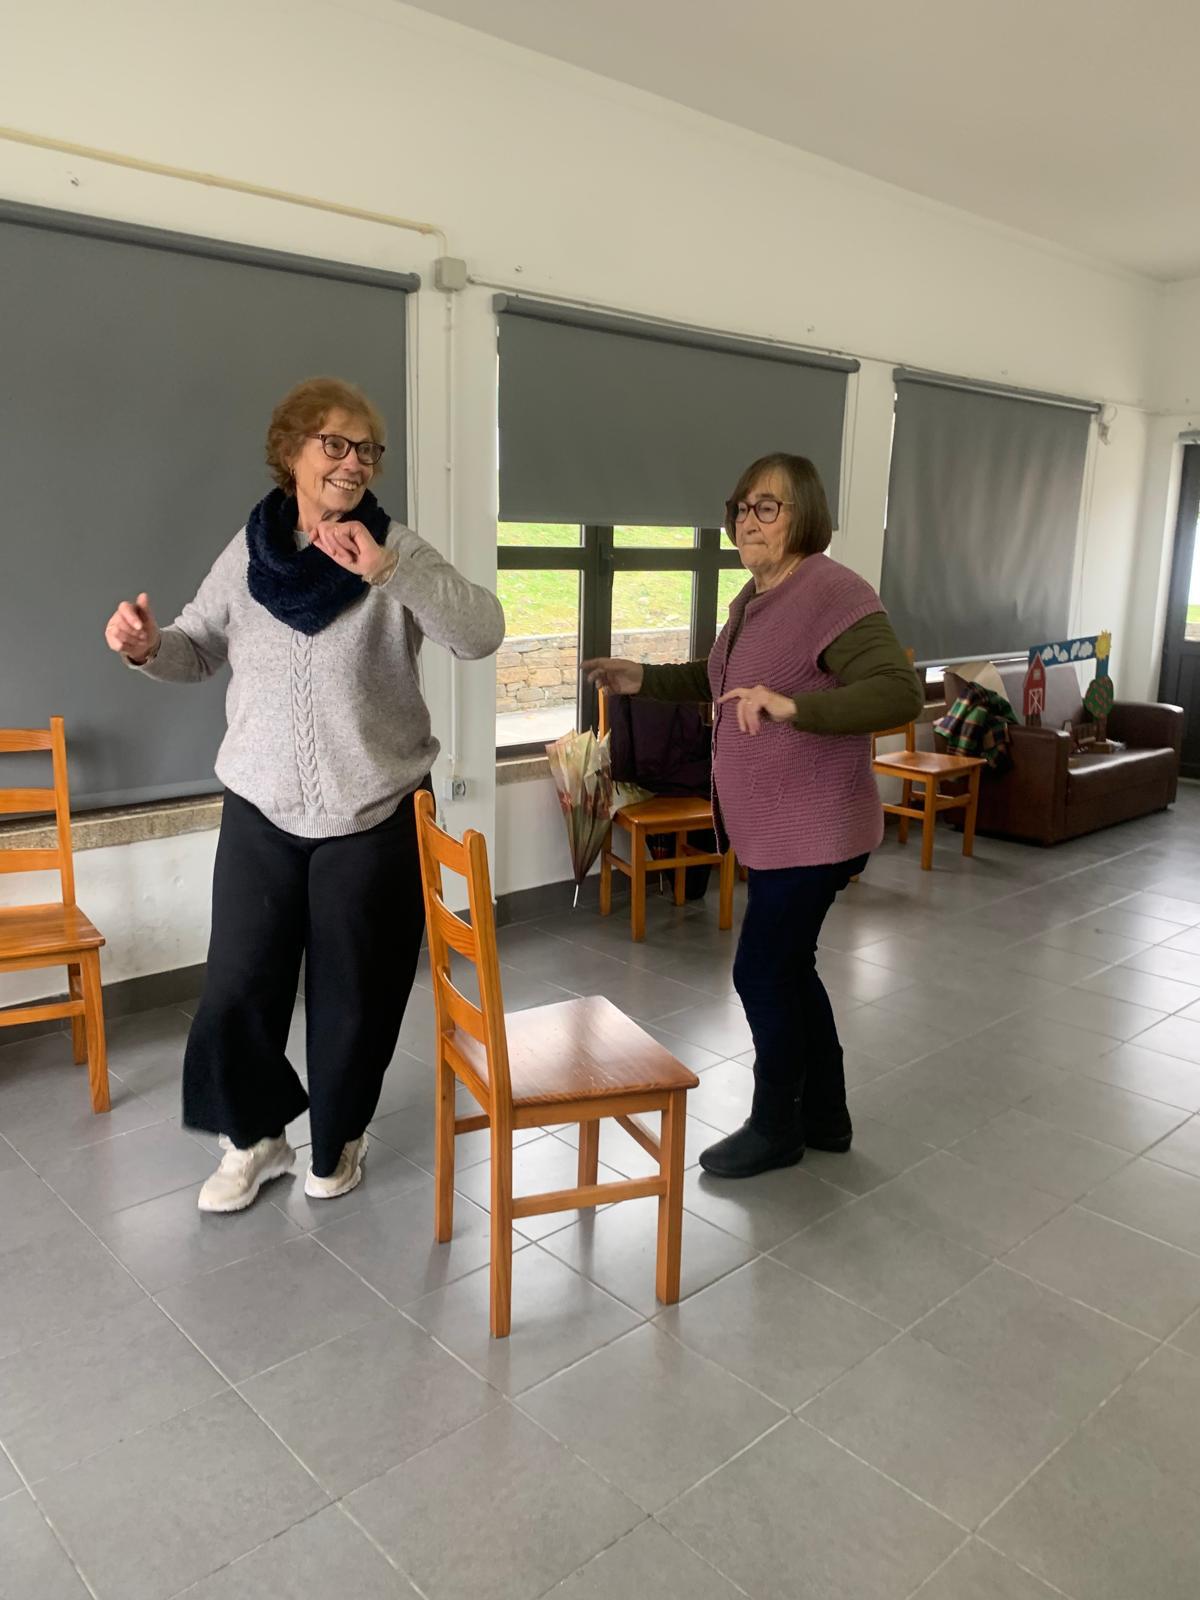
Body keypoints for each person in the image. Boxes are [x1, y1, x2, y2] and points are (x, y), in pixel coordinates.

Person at [104, 377, 505, 1211]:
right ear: (291, 451)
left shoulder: (395, 547)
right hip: (260, 809)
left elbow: (480, 633)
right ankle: (255, 1138)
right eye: (336, 444)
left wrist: (389, 571)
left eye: (368, 450)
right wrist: (146, 647)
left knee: (355, 998)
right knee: (235, 991)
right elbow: (196, 647)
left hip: (374, 811)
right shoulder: (249, 550)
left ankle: (339, 1139)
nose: (355, 462)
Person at [584, 452, 921, 1179]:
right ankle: (825, 1115)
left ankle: (776, 1127)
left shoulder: (832, 592)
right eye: (741, 507)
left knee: (762, 973)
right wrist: (642, 678)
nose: (747, 521)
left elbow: (900, 691)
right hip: (776, 830)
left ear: (805, 515)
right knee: (792, 968)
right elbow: (723, 681)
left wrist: (795, 707)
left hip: (816, 829)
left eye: (767, 507)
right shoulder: (756, 597)